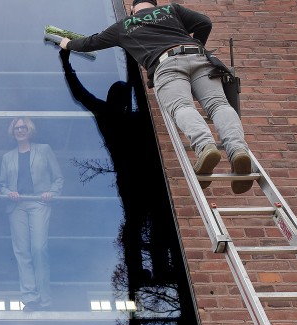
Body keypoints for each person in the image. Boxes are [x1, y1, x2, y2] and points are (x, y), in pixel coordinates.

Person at [59, 0, 254, 194]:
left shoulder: (124, 25)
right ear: (154, 5)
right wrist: (197, 47)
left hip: (167, 64)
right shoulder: (172, 9)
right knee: (218, 105)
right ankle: (238, 150)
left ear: (133, 9)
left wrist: (68, 44)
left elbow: (91, 42)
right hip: (200, 58)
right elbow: (205, 23)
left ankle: (205, 146)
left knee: (181, 106)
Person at [0, 118, 64, 311]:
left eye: (23, 127)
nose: (20, 130)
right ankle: (31, 299)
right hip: (16, 206)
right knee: (22, 252)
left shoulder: (44, 149)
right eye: (16, 128)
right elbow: (2, 185)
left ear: (30, 130)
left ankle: (45, 299)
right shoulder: (7, 157)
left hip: (38, 203)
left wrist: (52, 192)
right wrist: (8, 192)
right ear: (12, 132)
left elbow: (58, 178)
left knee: (38, 248)